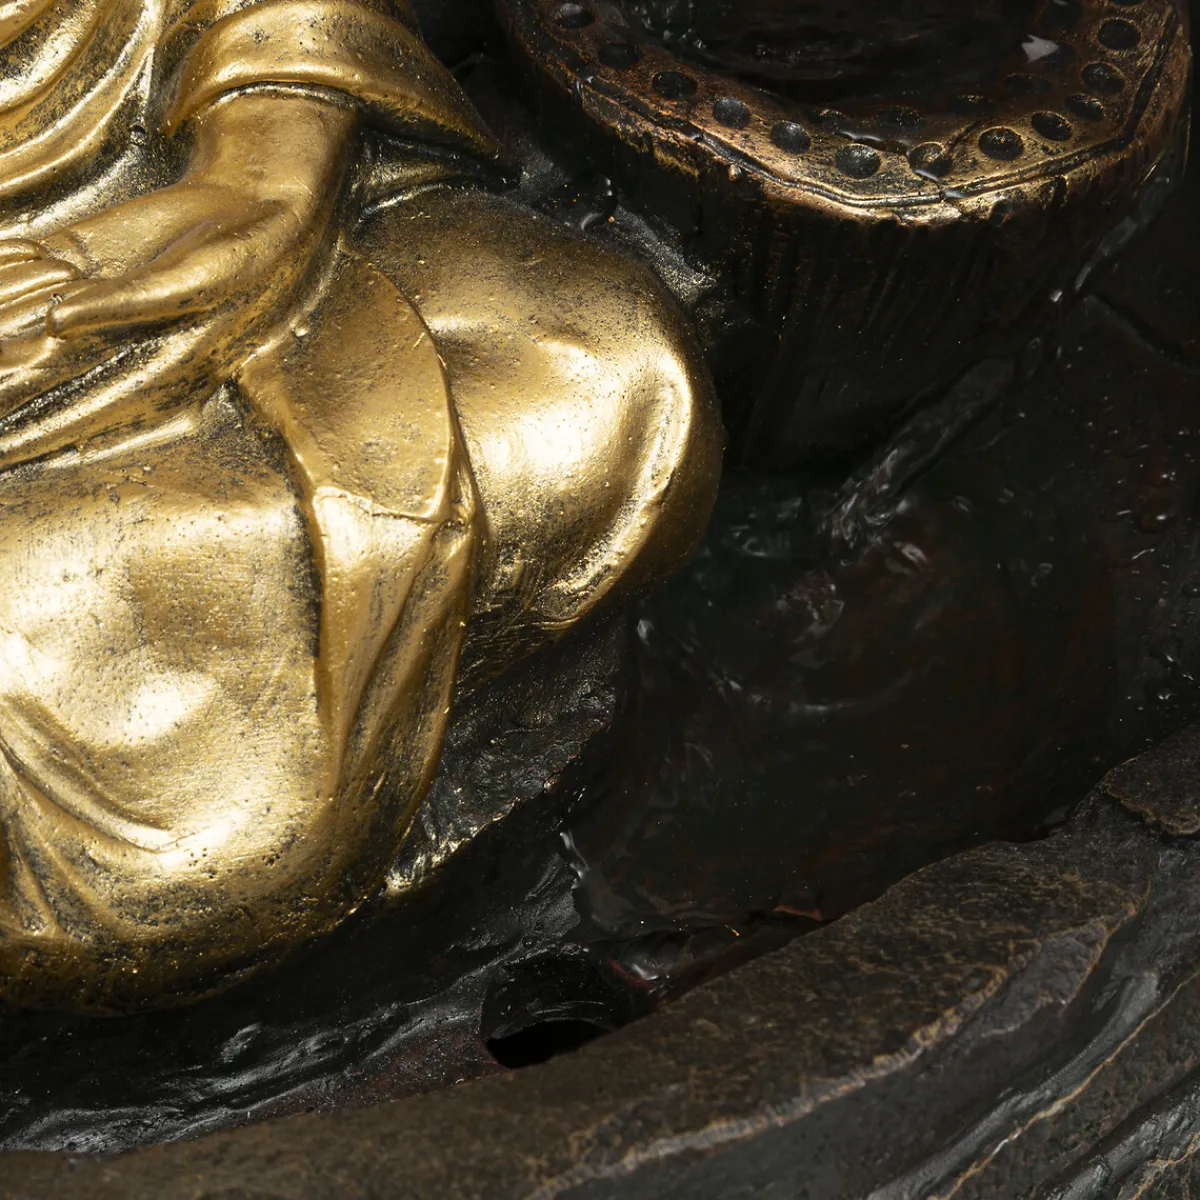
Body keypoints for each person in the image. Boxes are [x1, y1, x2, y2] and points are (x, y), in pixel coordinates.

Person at [0, 0, 720, 1009]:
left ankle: (292, 644)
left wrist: (268, 163)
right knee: (156, 848)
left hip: (219, 219)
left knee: (604, 377)